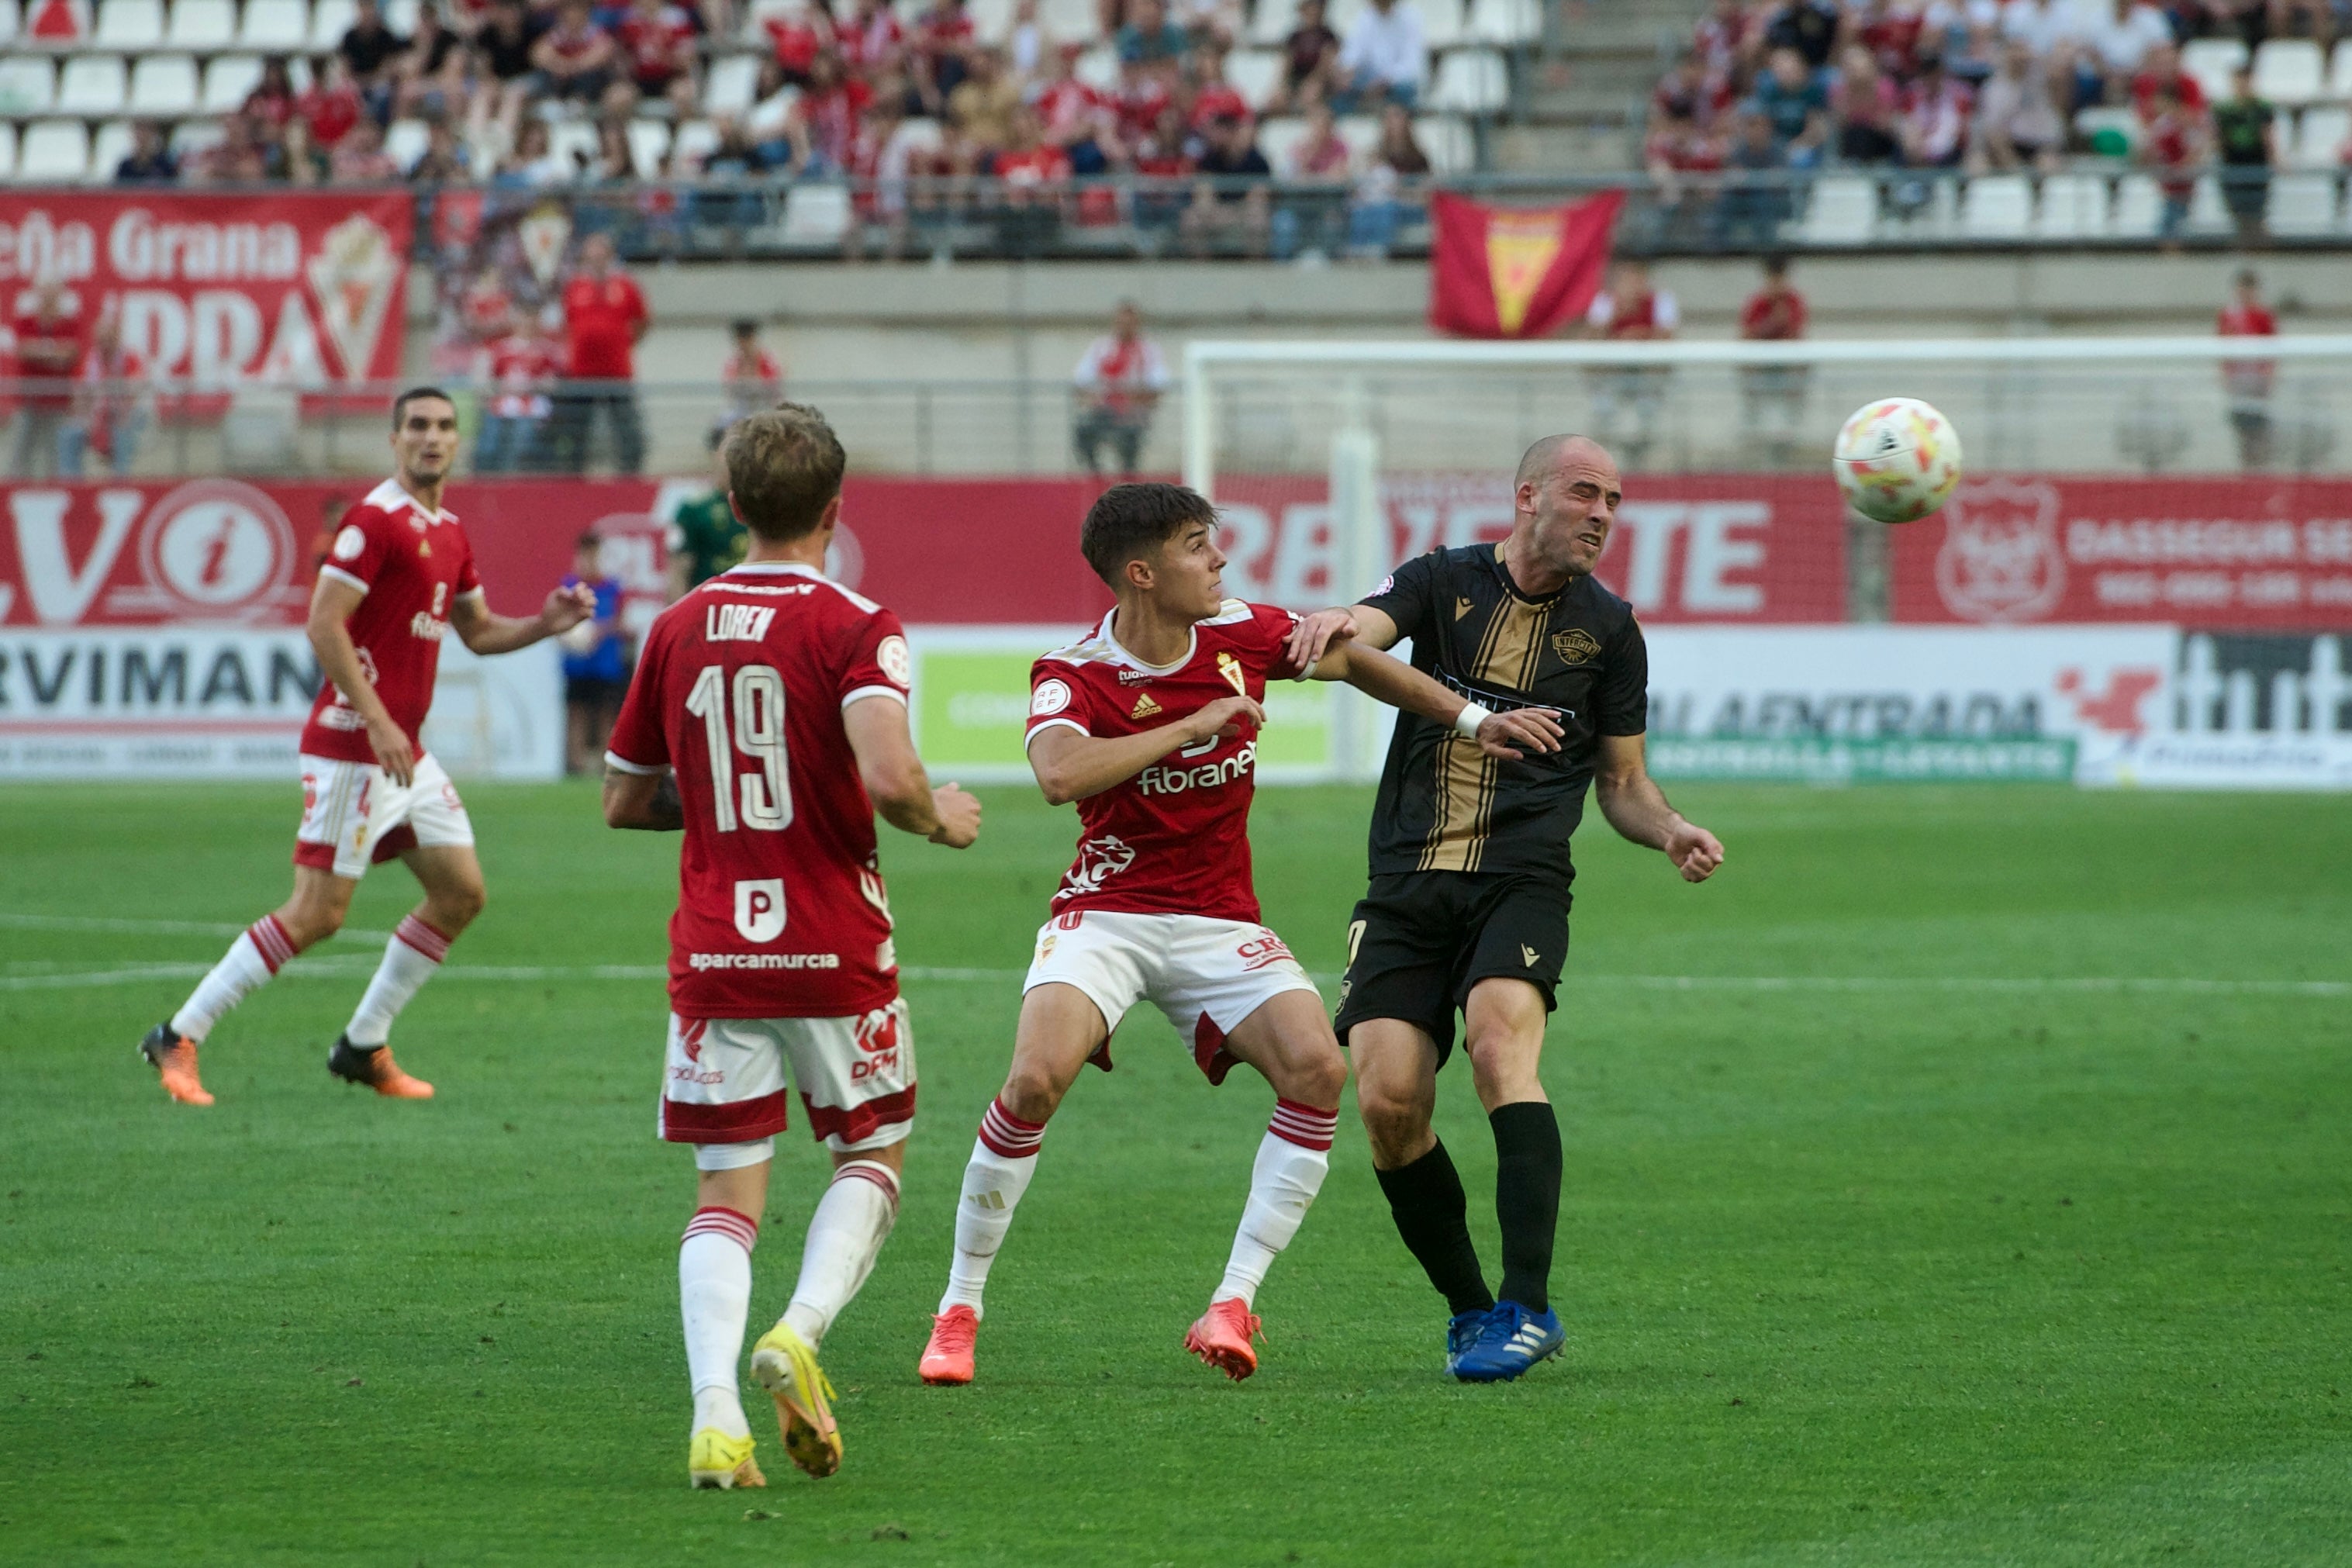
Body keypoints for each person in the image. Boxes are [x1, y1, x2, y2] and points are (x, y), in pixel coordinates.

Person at [913, 481, 1559, 1388]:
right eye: (1195, 546)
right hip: (1106, 915)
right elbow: (1061, 775)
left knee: (1318, 1071)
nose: (1219, 559)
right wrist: (1198, 721)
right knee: (1033, 1079)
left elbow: (1351, 660)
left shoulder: (1243, 631)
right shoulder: (1074, 672)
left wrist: (1472, 718)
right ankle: (959, 1309)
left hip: (1219, 919)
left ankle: (1233, 1300)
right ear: (1141, 573)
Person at [1283, 435, 1725, 1383]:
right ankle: (1472, 1311)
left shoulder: (1610, 630)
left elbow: (1624, 783)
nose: (1603, 512)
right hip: (1403, 883)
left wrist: (1670, 828)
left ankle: (1530, 1305)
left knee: (1496, 1045)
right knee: (1389, 1102)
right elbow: (1371, 623)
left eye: (1615, 498)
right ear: (1528, 497)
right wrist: (1335, 616)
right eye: (1584, 493)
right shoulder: (1444, 580)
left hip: (1520, 880)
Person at [601, 403, 981, 1489]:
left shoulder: (675, 626)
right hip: (831, 938)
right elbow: (891, 774)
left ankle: (716, 1409)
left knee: (725, 1193)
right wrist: (935, 816)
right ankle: (801, 1330)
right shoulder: (859, 623)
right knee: (872, 1151)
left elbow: (625, 799)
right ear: (835, 508)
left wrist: (725, 801)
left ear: (732, 510)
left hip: (717, 946)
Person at [137, 389, 597, 1109]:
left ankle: (361, 1044)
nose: (432, 438)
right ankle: (177, 1033)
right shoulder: (374, 522)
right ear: (394, 439)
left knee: (460, 892)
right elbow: (325, 624)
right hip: (356, 747)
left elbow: (477, 634)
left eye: (444, 427)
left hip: (403, 754)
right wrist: (379, 720)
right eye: (418, 426)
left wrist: (544, 622)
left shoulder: (448, 531)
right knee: (317, 913)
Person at [555, 233, 649, 473]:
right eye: (591, 257)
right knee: (577, 430)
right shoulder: (575, 286)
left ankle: (630, 475)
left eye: (600, 256)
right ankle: (574, 477)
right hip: (582, 372)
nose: (596, 261)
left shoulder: (626, 286)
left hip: (617, 371)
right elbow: (567, 324)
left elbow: (642, 321)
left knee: (627, 430)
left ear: (609, 257)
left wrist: (624, 342)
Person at [1582, 260, 1677, 470]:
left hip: (1646, 375)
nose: (1632, 284)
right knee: (1603, 401)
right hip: (1613, 374)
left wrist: (1638, 336)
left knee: (1647, 404)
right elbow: (1589, 346)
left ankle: (1643, 446)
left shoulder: (1661, 301)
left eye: (1636, 278)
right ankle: (1605, 449)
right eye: (1626, 278)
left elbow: (1668, 344)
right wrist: (1616, 317)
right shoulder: (1606, 302)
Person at [1071, 300, 1170, 478]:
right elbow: (1080, 382)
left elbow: (1158, 387)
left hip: (1133, 414)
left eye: (1129, 324)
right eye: (1121, 323)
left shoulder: (1148, 351)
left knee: (1129, 440)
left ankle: (1127, 479)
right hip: (1105, 410)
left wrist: (1134, 399)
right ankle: (1096, 475)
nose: (1124, 328)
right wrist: (1093, 397)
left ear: (1137, 325)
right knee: (1083, 431)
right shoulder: (1101, 348)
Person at [561, 533, 631, 774]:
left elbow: (621, 622)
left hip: (606, 662)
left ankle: (606, 764)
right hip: (577, 664)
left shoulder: (612, 588)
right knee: (577, 711)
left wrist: (600, 631)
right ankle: (576, 764)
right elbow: (559, 623)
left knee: (605, 713)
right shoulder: (570, 586)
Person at [61, 303, 147, 477]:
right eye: (101, 340)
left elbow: (136, 386)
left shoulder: (129, 358)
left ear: (117, 338)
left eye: (109, 339)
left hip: (126, 416)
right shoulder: (89, 361)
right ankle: (72, 483)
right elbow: (80, 396)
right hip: (96, 415)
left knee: (122, 431)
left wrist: (110, 393)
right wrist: (89, 415)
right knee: (69, 434)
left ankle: (120, 481)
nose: (105, 345)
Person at [1737, 255, 1808, 465]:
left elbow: (1796, 335)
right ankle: (1754, 434)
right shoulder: (1757, 303)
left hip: (1786, 367)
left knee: (1799, 371)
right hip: (1761, 367)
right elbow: (1745, 337)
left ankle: (1787, 437)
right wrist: (1771, 324)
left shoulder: (1794, 302)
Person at [8, 279, 82, 478]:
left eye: (52, 294)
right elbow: (23, 351)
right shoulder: (27, 321)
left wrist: (40, 352)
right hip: (29, 397)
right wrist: (54, 353)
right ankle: (15, 491)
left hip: (58, 399)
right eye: (45, 294)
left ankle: (57, 489)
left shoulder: (69, 323)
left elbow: (71, 354)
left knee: (56, 451)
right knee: (22, 449)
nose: (48, 298)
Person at [668, 434, 750, 597]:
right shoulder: (694, 509)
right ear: (716, 457)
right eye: (728, 455)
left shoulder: (762, 505)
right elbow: (679, 570)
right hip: (708, 606)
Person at [2209, 64, 2277, 242]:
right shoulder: (2223, 110)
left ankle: (2258, 244)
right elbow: (2217, 138)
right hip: (2232, 164)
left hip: (2255, 163)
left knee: (2256, 210)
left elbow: (2267, 135)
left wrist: (2275, 159)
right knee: (2238, 212)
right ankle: (2245, 244)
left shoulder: (2261, 107)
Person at [2219, 267, 2277, 469]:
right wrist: (2225, 373)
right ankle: (2245, 463)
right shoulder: (2229, 315)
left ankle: (2260, 463)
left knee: (2259, 424)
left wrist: (2269, 376)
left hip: (2257, 377)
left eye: (2249, 290)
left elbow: (2272, 349)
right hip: (2238, 379)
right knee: (2240, 423)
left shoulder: (2263, 316)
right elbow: (2222, 346)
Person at [1335, 0, 1426, 111]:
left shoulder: (1410, 17)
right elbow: (1353, 52)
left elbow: (1412, 63)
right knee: (1340, 91)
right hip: (1369, 80)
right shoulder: (1365, 17)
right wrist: (1347, 71)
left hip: (1396, 82)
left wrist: (1386, 80)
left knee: (1404, 89)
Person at [719, 317, 784, 436]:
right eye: (741, 339)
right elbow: (729, 388)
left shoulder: (767, 360)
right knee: (720, 426)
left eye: (747, 338)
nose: (744, 344)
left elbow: (775, 388)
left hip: (764, 406)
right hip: (742, 408)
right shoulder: (734, 362)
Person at [113, 119, 180, 184]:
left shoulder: (165, 165)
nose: (142, 135)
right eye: (139, 130)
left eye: (146, 131)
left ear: (153, 134)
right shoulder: (125, 166)